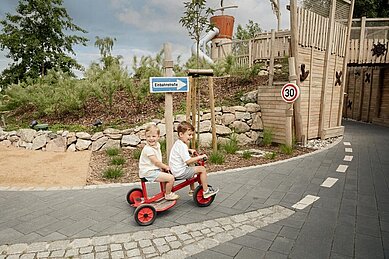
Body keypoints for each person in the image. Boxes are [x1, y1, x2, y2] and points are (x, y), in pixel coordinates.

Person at [169, 121, 219, 198]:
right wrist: (200, 157)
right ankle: (206, 191)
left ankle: (192, 190)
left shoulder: (178, 143)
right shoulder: (183, 146)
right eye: (189, 135)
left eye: (192, 135)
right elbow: (188, 160)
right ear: (181, 134)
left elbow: (181, 152)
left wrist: (189, 150)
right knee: (202, 169)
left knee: (191, 170)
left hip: (175, 169)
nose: (191, 137)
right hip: (180, 171)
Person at [139, 124, 179, 200]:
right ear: (145, 137)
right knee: (171, 178)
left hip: (152, 170)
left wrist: (162, 167)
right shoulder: (148, 149)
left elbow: (158, 160)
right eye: (148, 136)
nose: (151, 139)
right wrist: (165, 166)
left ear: (158, 137)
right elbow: (156, 162)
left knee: (166, 174)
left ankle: (165, 190)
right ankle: (168, 194)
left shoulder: (157, 145)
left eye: (153, 136)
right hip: (148, 172)